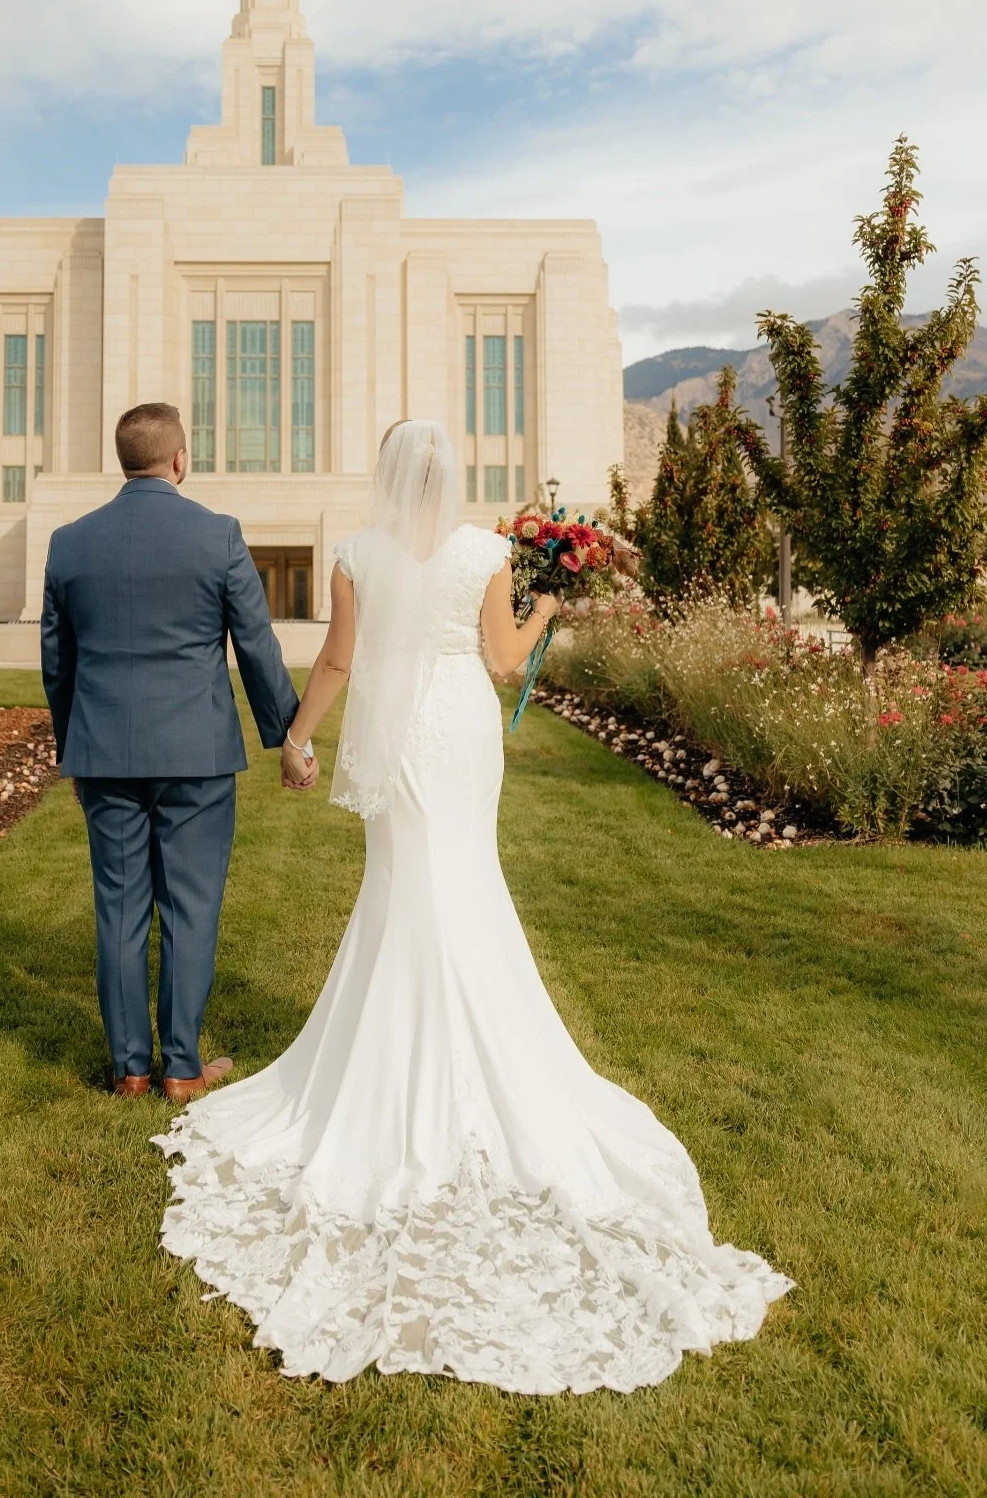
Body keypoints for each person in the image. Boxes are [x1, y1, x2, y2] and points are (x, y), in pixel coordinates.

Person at [154, 419, 792, 1394]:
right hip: (459, 728)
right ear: (450, 483)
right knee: (462, 880)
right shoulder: (488, 553)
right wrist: (546, 608)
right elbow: (503, 661)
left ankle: (394, 1054)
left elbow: (334, 663)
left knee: (409, 882)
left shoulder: (359, 556)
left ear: (387, 479)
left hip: (403, 736)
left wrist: (297, 739)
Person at [41, 402, 313, 1103]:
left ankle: (131, 1068)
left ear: (122, 460)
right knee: (190, 909)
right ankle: (183, 1068)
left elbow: (57, 663)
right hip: (196, 751)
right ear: (180, 459)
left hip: (102, 752)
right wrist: (287, 734)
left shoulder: (69, 543)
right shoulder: (218, 535)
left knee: (120, 909)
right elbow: (256, 644)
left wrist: (73, 746)